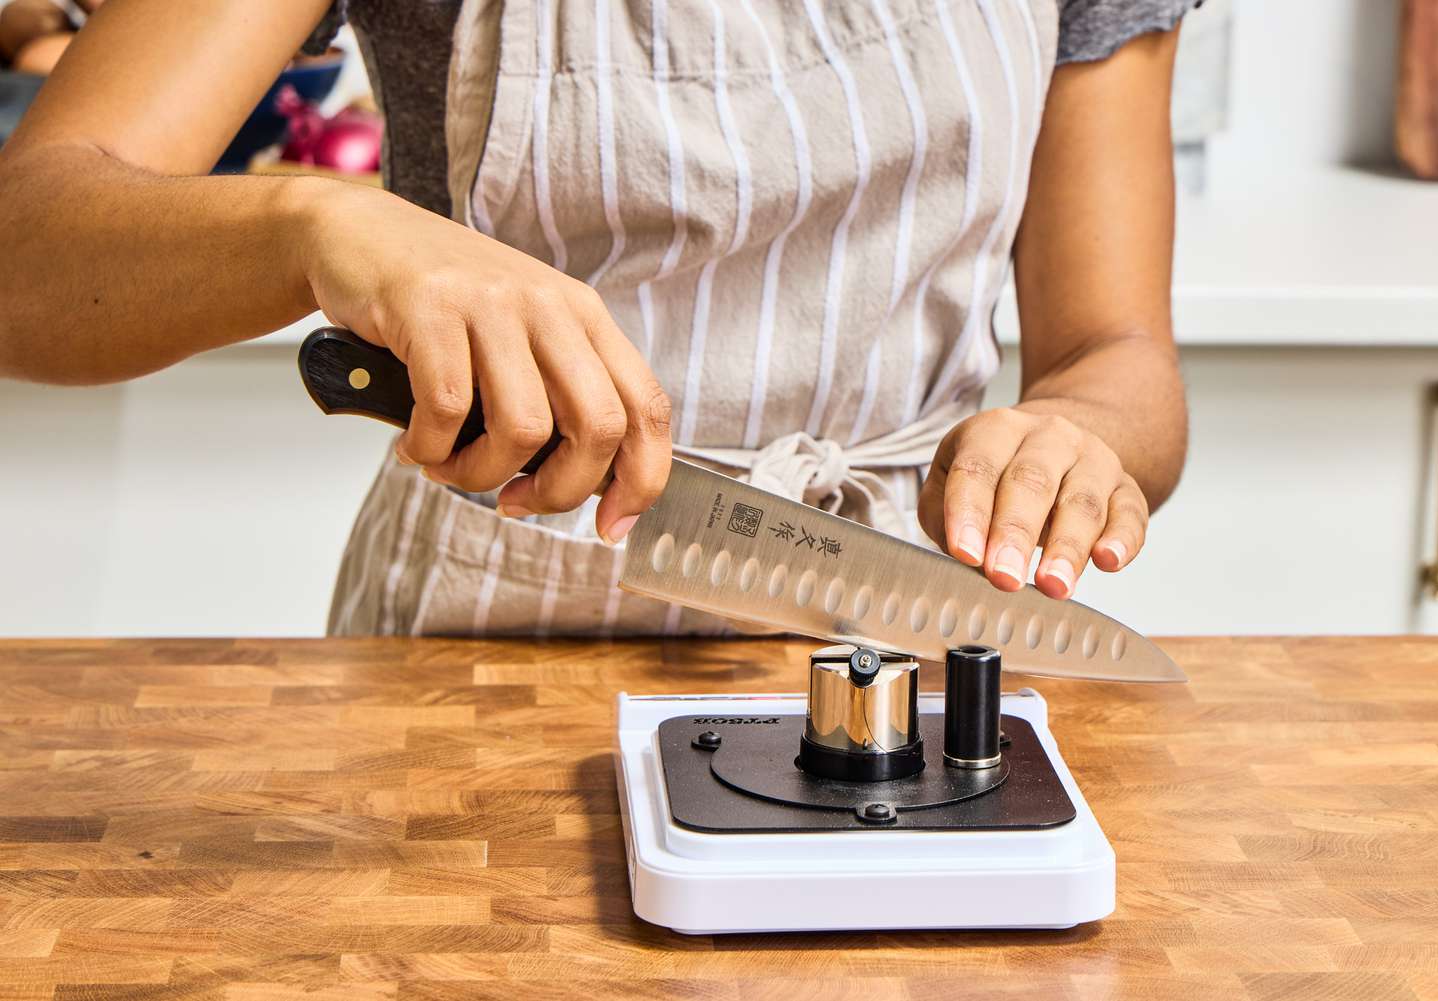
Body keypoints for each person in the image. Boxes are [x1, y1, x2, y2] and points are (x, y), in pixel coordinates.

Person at [0, 0, 1191, 636]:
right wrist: (317, 227)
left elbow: (1117, 354)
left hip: (904, 632)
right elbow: (28, 253)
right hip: (471, 653)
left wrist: (1078, 434)